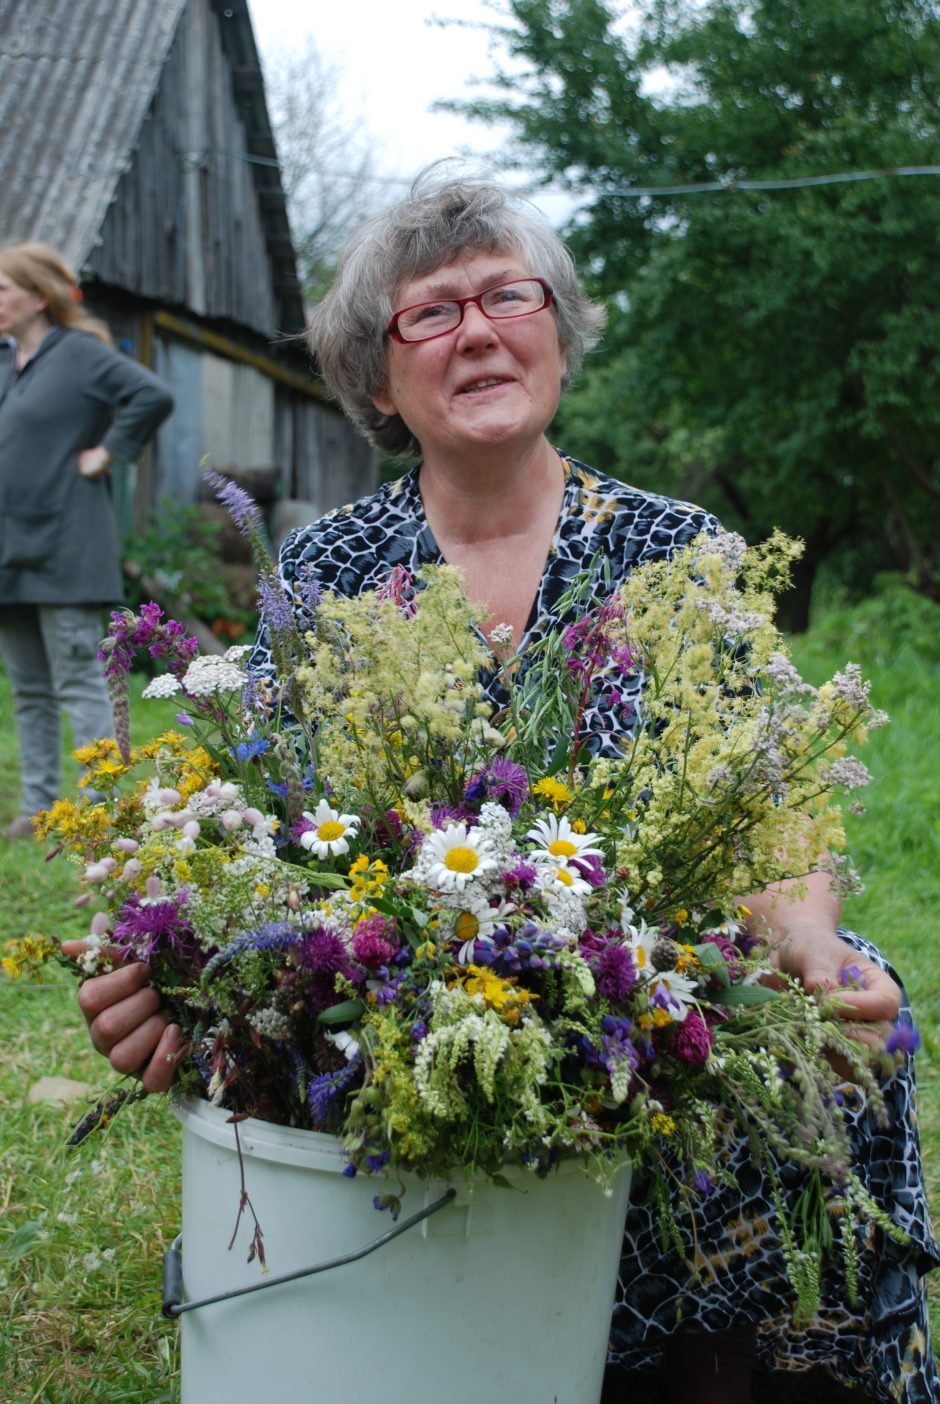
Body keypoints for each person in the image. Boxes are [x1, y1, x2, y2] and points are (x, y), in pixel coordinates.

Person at [63, 174, 938, 1402]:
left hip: (646, 980)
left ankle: (723, 1363)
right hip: (395, 976)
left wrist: (803, 938)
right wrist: (170, 963)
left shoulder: (678, 551)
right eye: (430, 313)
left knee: (836, 1024)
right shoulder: (324, 572)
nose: (476, 330)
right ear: (378, 378)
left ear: (558, 334)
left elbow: (772, 799)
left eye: (506, 297)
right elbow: (245, 818)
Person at [0, 243, 173, 839]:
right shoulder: (5, 362)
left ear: (38, 295)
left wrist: (108, 454)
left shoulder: (77, 354)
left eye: (2, 288)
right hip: (9, 551)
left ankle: (99, 811)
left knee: (76, 679)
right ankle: (39, 810)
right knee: (27, 688)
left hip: (67, 547)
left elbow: (152, 395)